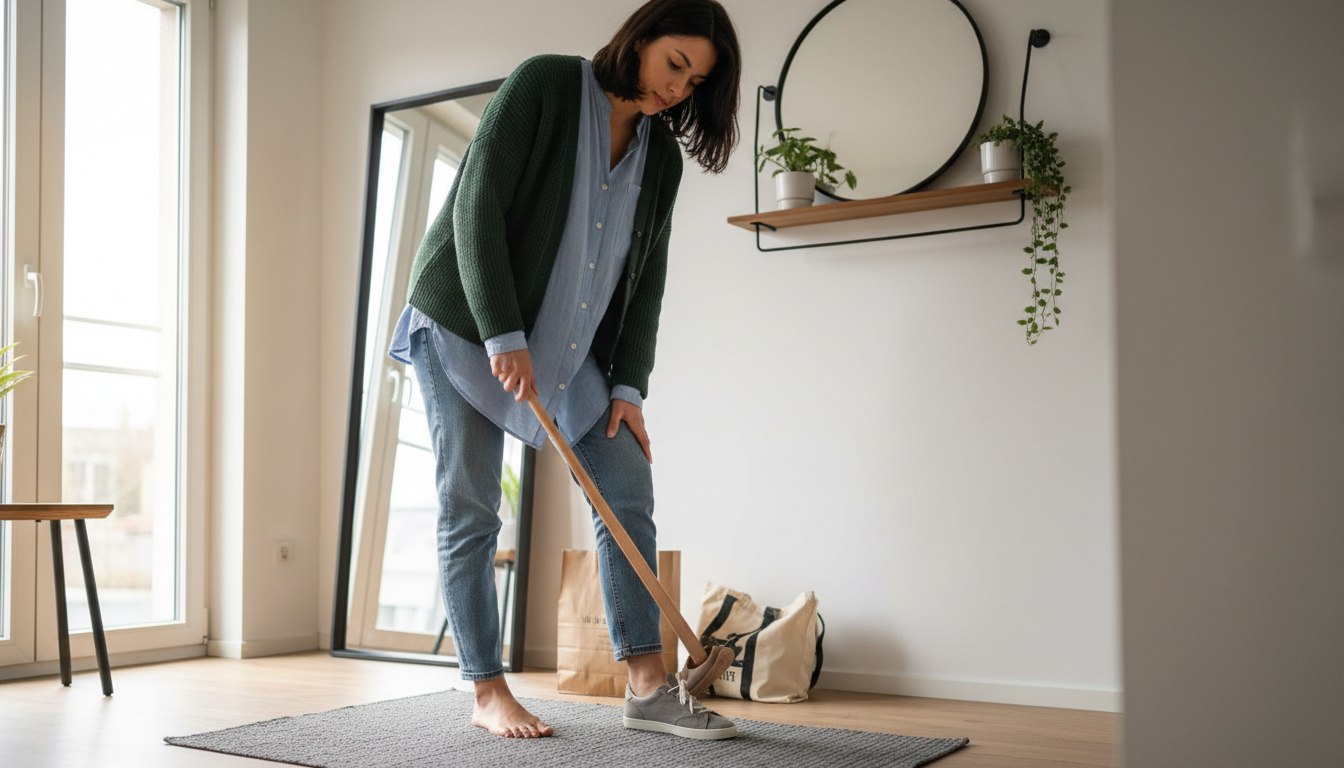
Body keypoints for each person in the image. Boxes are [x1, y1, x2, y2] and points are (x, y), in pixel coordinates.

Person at [387, 0, 742, 741]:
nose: (679, 89)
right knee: (472, 507)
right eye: (675, 63)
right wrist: (502, 333)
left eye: (696, 82)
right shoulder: (545, 86)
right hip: (466, 326)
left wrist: (627, 387)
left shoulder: (661, 158)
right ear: (640, 39)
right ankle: (486, 689)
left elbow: (645, 281)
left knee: (626, 491)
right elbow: (474, 208)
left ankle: (649, 685)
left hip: (572, 352)